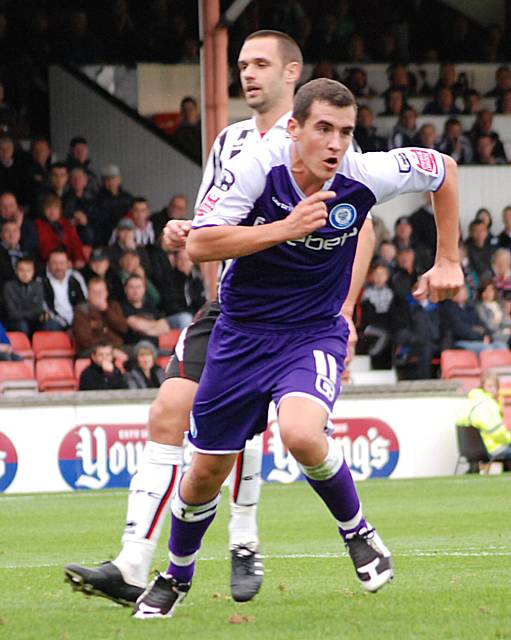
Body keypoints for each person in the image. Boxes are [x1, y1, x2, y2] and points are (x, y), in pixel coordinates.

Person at [64, 30, 376, 609]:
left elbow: (364, 229)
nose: (247, 75)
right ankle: (134, 561)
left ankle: (243, 539)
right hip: (229, 307)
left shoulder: (326, 143)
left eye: (260, 64)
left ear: (292, 74)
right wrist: (180, 232)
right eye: (241, 65)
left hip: (299, 314)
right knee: (169, 411)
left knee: (250, 426)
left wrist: (345, 310)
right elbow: (211, 224)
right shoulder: (229, 141)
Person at [133, 77, 463, 619]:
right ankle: (176, 575)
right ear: (295, 128)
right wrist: (284, 228)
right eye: (324, 129)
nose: (336, 144)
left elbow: (443, 170)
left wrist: (447, 258)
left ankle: (359, 533)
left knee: (303, 433)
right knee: (203, 475)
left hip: (311, 331)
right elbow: (199, 243)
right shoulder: (255, 168)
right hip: (240, 333)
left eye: (346, 131)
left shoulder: (364, 172)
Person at [456, 372, 511, 467]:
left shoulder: (472, 400)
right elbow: (497, 432)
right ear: (483, 386)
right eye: (489, 386)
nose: (493, 389)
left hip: (471, 449)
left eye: (495, 386)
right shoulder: (488, 404)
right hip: (492, 447)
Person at [72, 276, 127, 357]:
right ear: (88, 294)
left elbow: (123, 328)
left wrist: (106, 310)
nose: (98, 295)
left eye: (101, 292)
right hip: (92, 349)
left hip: (117, 346)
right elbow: (85, 340)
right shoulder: (81, 310)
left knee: (141, 351)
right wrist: (109, 350)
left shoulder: (113, 305)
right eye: (94, 292)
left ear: (106, 293)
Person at [42, 248, 87, 330]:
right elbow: (46, 308)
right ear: (48, 264)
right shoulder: (42, 282)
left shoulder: (75, 278)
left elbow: (82, 302)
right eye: (54, 263)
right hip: (55, 321)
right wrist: (64, 322)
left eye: (62, 263)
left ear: (68, 264)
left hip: (77, 320)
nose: (58, 267)